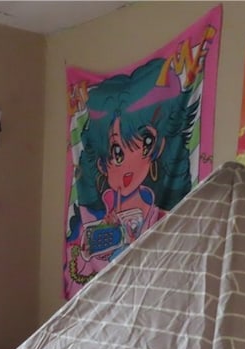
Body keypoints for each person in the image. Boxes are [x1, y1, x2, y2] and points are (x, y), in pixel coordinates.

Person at [68, 58, 197, 282]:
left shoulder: (159, 211)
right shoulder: (94, 213)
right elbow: (79, 270)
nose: (132, 162)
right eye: (117, 152)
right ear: (101, 163)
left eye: (146, 142)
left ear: (158, 147)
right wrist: (91, 247)